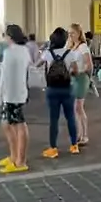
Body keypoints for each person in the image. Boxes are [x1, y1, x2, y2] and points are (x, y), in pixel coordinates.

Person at [0, 25, 32, 174]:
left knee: (17, 125)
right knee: (8, 124)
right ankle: (14, 156)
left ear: (9, 37)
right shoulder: (24, 51)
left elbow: (4, 78)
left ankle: (20, 161)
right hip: (19, 92)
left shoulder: (10, 52)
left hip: (11, 94)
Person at [40, 28, 80, 159]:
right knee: (70, 117)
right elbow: (76, 71)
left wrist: (45, 49)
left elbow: (36, 64)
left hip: (52, 89)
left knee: (54, 119)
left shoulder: (47, 53)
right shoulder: (70, 53)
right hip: (67, 89)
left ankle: (53, 148)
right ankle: (74, 146)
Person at [67, 24, 93, 146]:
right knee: (75, 108)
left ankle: (85, 135)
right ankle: (79, 134)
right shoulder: (71, 47)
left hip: (81, 78)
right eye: (69, 33)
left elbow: (89, 64)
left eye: (72, 33)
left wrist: (80, 71)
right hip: (73, 78)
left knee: (79, 107)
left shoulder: (83, 47)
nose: (70, 35)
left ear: (78, 33)